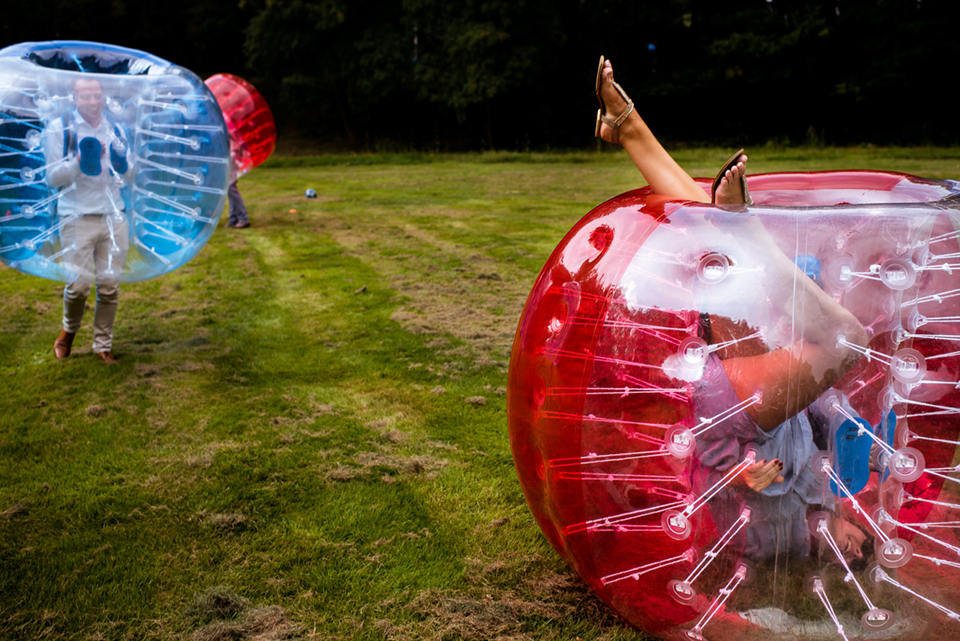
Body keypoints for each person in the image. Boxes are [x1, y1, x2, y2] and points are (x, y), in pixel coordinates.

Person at [595, 57, 872, 564]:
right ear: (856, 523)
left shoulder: (780, 548)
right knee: (718, 239)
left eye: (848, 561)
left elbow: (707, 504)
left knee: (845, 340)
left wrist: (737, 477)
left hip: (734, 422)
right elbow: (824, 409)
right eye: (860, 546)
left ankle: (736, 222)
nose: (849, 552)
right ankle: (628, 130)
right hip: (768, 398)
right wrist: (857, 433)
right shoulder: (831, 489)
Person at [47, 77, 135, 364]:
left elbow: (131, 175)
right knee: (79, 286)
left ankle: (102, 346)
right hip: (76, 217)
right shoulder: (61, 130)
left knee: (109, 287)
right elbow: (52, 178)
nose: (94, 102)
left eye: (97, 95)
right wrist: (79, 161)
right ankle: (68, 332)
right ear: (74, 98)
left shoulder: (116, 129)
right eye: (86, 96)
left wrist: (121, 163)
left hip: (113, 215)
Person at [226, 141, 250, 229]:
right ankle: (234, 218)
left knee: (231, 189)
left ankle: (243, 218)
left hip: (232, 156)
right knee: (230, 190)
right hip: (232, 155)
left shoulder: (233, 136)